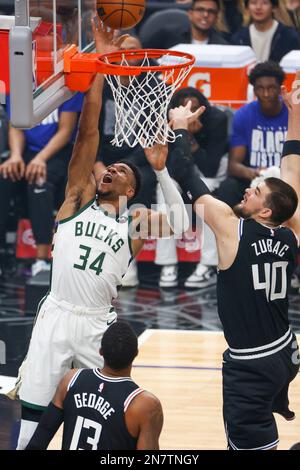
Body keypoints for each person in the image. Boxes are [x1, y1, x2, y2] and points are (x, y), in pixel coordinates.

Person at [15, 17, 190, 450]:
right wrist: (95, 65)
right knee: (34, 409)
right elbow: (88, 134)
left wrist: (162, 168)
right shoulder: (75, 198)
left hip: (96, 324)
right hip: (57, 313)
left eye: (121, 170)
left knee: (108, 413)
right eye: (109, 167)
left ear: (132, 189)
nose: (110, 169)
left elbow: (184, 225)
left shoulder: (134, 223)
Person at [169, 93, 300, 449]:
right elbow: (292, 171)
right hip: (286, 352)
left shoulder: (232, 229)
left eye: (255, 192)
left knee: (247, 443)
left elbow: (185, 173)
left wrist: (180, 128)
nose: (247, 189)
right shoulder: (291, 230)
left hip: (252, 364)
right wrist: (295, 114)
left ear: (266, 211)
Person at [26, 321, 163, 450]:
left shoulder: (71, 380)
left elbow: (37, 443)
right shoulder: (144, 405)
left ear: (101, 351)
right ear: (136, 353)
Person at [0, 93, 83, 277]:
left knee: (38, 181)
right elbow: (16, 127)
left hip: (58, 152)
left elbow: (66, 130)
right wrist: (15, 156)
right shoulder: (21, 84)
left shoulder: (66, 86)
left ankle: (42, 259)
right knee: (4, 176)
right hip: (27, 151)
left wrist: (41, 158)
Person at [155, 87, 229, 288]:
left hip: (211, 176)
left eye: (194, 109)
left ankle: (208, 265)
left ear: (203, 109)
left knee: (210, 200)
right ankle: (167, 264)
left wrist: (190, 138)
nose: (188, 114)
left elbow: (210, 168)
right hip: (182, 173)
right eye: (183, 110)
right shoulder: (168, 121)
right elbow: (176, 168)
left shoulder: (217, 120)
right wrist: (182, 132)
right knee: (164, 190)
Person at [217, 61, 288, 209]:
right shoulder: (243, 115)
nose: (266, 94)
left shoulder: (293, 114)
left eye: (271, 88)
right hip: (256, 180)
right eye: (260, 88)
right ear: (254, 90)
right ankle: (234, 228)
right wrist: (254, 172)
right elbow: (233, 165)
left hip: (288, 179)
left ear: (281, 89)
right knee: (227, 187)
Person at [231, 0, 300, 62]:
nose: (258, 7)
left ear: (273, 7)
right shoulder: (239, 38)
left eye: (264, 3)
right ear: (247, 7)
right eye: (253, 3)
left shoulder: (289, 37)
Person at [143, 0, 229, 49]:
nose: (205, 15)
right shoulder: (167, 35)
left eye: (211, 11)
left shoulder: (223, 46)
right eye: (200, 10)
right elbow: (145, 56)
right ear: (190, 14)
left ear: (217, 17)